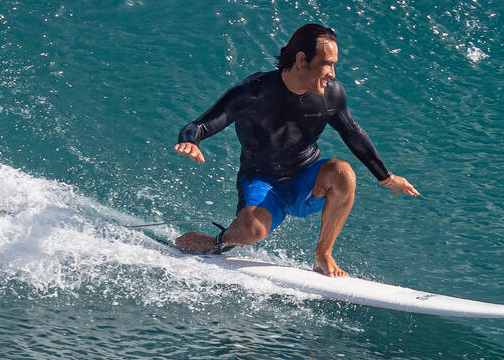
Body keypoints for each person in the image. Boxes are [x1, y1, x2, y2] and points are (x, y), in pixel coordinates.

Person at [173, 23, 418, 276]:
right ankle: (216, 243)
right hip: (261, 180)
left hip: (305, 181)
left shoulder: (330, 95)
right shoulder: (254, 93)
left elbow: (352, 132)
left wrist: (386, 177)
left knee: (343, 173)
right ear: (302, 60)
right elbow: (202, 124)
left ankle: (323, 255)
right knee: (251, 232)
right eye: (327, 64)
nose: (332, 73)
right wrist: (191, 140)